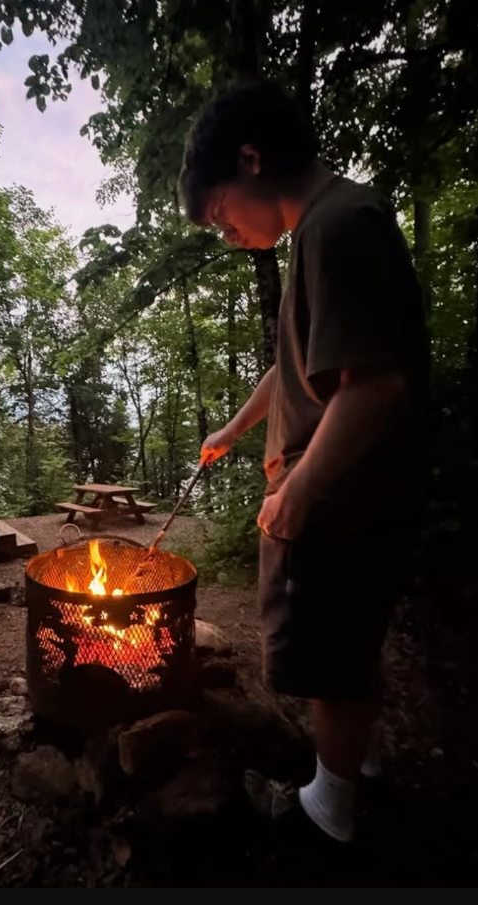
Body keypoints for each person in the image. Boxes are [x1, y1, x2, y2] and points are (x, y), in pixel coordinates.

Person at [179, 80, 429, 842]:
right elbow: (293, 368)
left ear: (248, 161)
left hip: (343, 500)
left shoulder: (337, 226)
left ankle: (328, 813)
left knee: (330, 653)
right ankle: (353, 767)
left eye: (220, 214)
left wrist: (298, 490)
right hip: (342, 496)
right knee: (344, 645)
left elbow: (375, 384)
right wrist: (229, 429)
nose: (227, 235)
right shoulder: (321, 230)